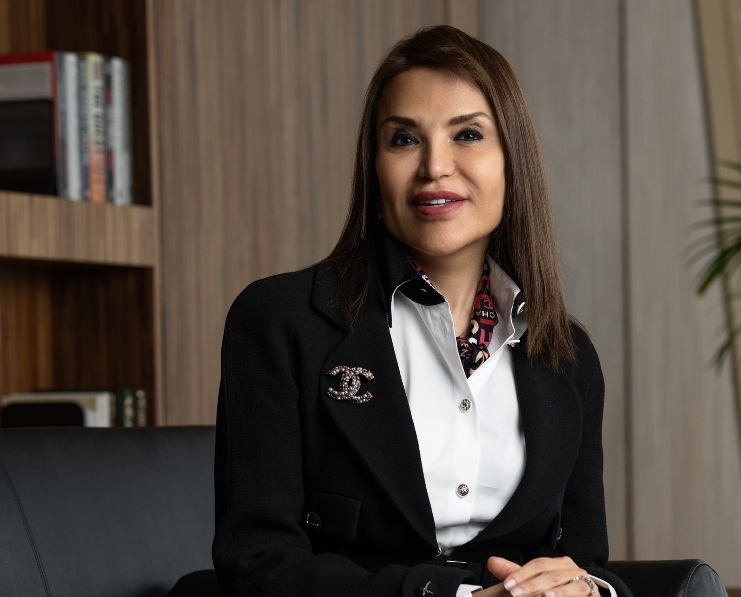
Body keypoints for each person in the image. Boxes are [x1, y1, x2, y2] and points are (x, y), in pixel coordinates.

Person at [213, 25, 632, 597]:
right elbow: (256, 563)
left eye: (467, 134)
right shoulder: (280, 322)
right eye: (404, 139)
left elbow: (585, 562)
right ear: (374, 167)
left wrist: (588, 590)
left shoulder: (569, 356)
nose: (435, 166)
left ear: (512, 161)